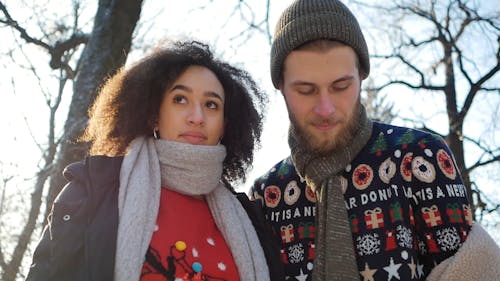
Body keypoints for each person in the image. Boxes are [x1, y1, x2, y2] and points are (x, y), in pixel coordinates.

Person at [249, 1, 500, 281]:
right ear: (280, 86)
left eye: (341, 86)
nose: (325, 109)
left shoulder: (419, 158)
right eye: (305, 90)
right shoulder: (267, 194)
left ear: (362, 76)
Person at [26, 40, 284, 281]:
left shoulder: (250, 219)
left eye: (211, 105)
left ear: (225, 126)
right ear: (154, 115)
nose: (197, 116)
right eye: (180, 99)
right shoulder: (94, 189)